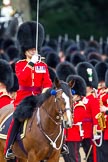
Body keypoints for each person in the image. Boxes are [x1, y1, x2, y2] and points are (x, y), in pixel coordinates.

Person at [5, 21, 52, 160]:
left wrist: (45, 94)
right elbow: (23, 78)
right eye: (30, 49)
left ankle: (59, 145)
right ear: (25, 50)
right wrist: (31, 63)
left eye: (35, 48)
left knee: (54, 116)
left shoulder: (43, 65)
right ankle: (9, 147)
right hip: (24, 99)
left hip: (39, 98)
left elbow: (47, 82)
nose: (33, 50)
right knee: (17, 120)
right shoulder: (20, 64)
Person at [63, 74, 87, 162]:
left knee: (74, 158)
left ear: (78, 95)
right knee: (67, 158)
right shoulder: (71, 105)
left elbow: (75, 120)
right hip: (67, 135)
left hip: (74, 135)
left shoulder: (80, 106)